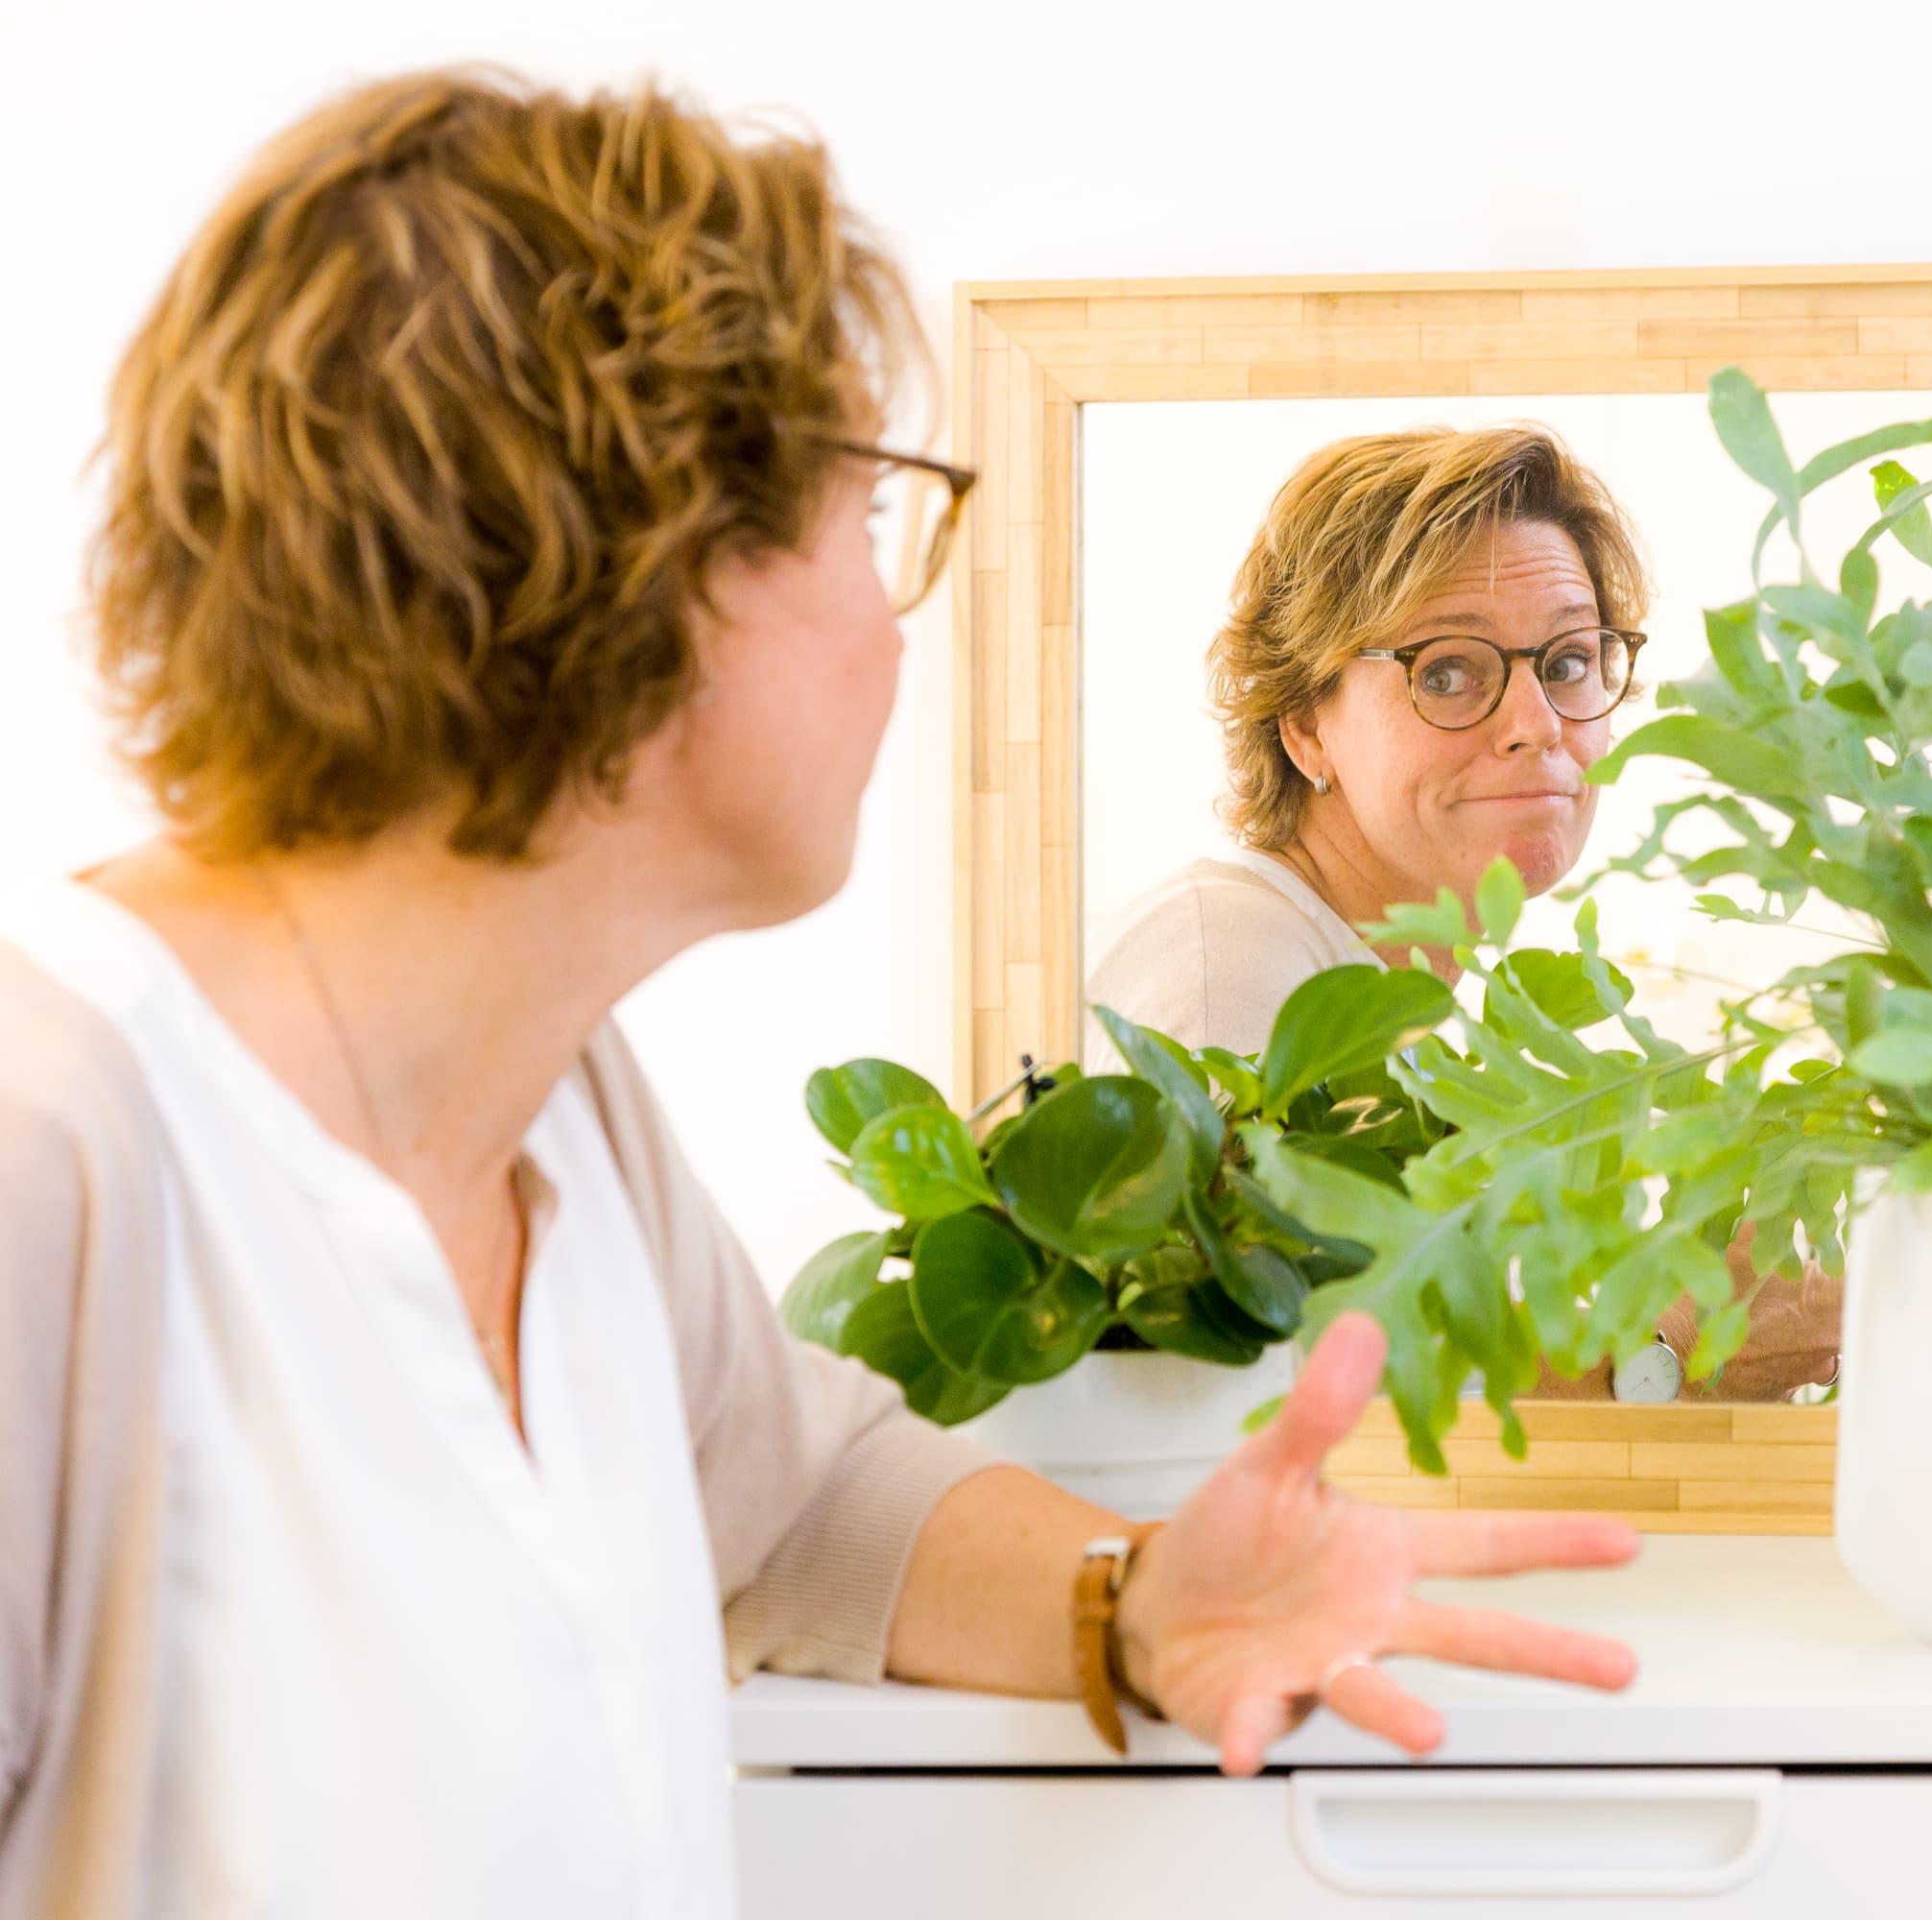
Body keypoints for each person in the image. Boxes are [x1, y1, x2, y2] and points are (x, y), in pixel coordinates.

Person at [0, 71, 1642, 1918]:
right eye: (869, 523)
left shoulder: (560, 1111)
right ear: (622, 567)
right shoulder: (53, 1161)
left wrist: (1140, 1598)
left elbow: (795, 1502)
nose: (896, 619)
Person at [1085, 426, 1843, 1402]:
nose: (1537, 724)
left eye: (1567, 661)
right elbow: (1234, 1402)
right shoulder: (1228, 960)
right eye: (1447, 671)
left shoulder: (1410, 1011)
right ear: (1305, 723)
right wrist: (1674, 1351)